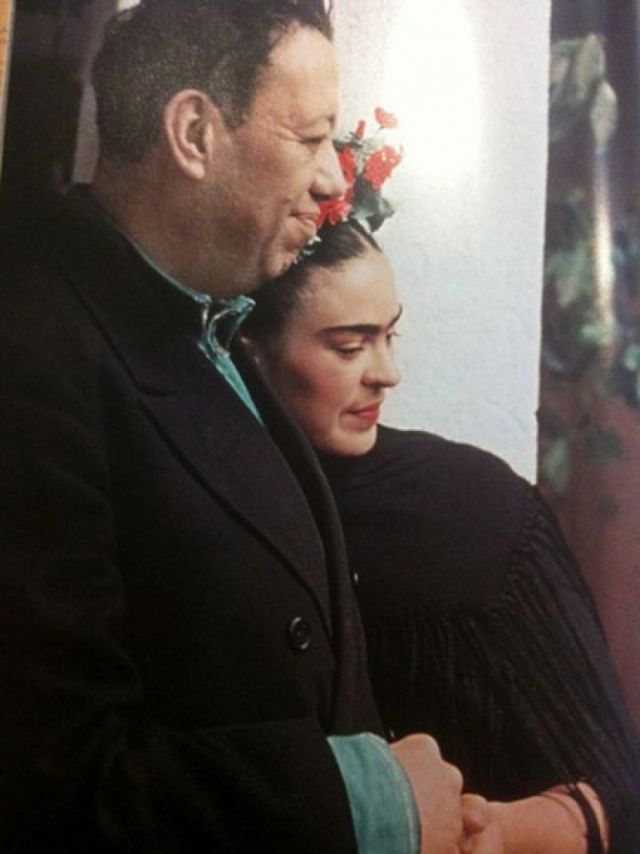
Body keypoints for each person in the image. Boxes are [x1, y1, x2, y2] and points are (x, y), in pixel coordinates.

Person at [0, 2, 478, 852]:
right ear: (195, 134)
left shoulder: (204, 324)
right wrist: (372, 803)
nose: (336, 180)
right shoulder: (32, 355)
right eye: (310, 139)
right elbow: (50, 783)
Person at [242, 218, 640, 852]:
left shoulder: (470, 508)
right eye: (350, 347)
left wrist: (503, 831)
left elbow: (616, 784)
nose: (387, 373)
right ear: (251, 351)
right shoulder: (217, 515)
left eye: (390, 335)